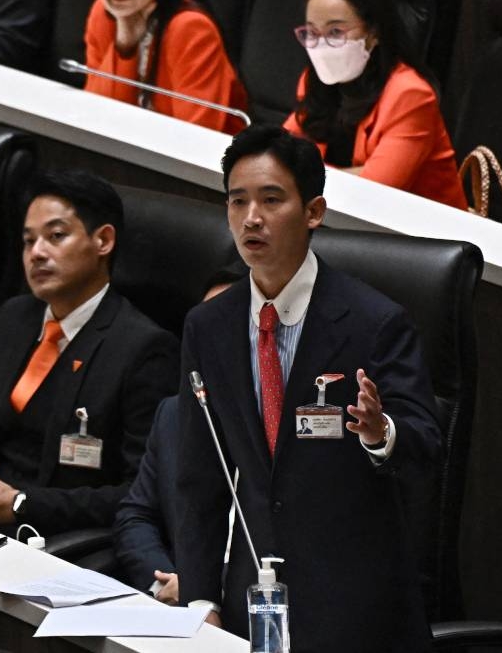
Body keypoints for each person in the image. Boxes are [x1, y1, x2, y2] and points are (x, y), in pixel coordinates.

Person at [175, 125, 441, 652]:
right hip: (252, 598)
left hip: (357, 608)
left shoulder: (373, 321)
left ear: (313, 212)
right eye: (238, 201)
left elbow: (426, 444)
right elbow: (199, 478)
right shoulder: (208, 327)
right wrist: (202, 600)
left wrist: (379, 431)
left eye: (271, 199)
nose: (251, 218)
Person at [0, 169, 178, 537]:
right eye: (28, 242)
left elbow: (140, 492)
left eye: (56, 236)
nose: (37, 253)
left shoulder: (143, 350)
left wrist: (19, 504)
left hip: (49, 538)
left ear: (103, 240)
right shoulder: (14, 318)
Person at [113, 264, 245, 604]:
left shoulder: (294, 426)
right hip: (172, 601)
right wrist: (166, 582)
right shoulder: (174, 413)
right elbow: (136, 516)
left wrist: (202, 588)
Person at [282, 0, 466, 209]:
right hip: (336, 216)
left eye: (336, 32)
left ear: (374, 32)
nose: (322, 46)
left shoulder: (410, 95)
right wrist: (353, 174)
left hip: (420, 234)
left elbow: (374, 191)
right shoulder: (314, 81)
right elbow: (282, 156)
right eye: (312, 33)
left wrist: (308, 173)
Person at [84, 0, 248, 134]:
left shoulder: (191, 28)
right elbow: (95, 116)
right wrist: (125, 45)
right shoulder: (104, 14)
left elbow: (195, 138)